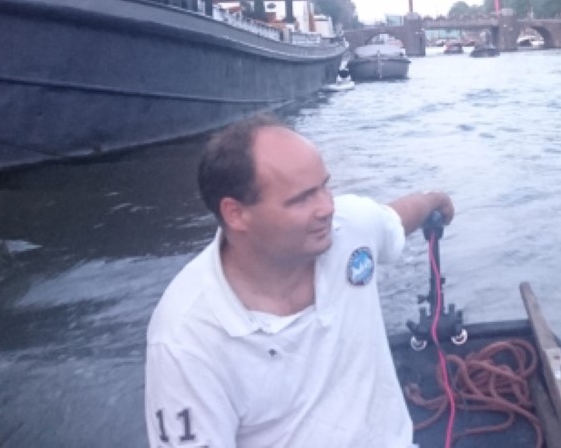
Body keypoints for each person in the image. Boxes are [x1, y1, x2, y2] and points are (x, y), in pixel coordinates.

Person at [144, 115, 455, 447]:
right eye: (302, 198)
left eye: (325, 185)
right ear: (236, 213)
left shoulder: (349, 231)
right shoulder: (186, 338)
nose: (327, 207)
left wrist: (434, 199)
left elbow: (394, 218)